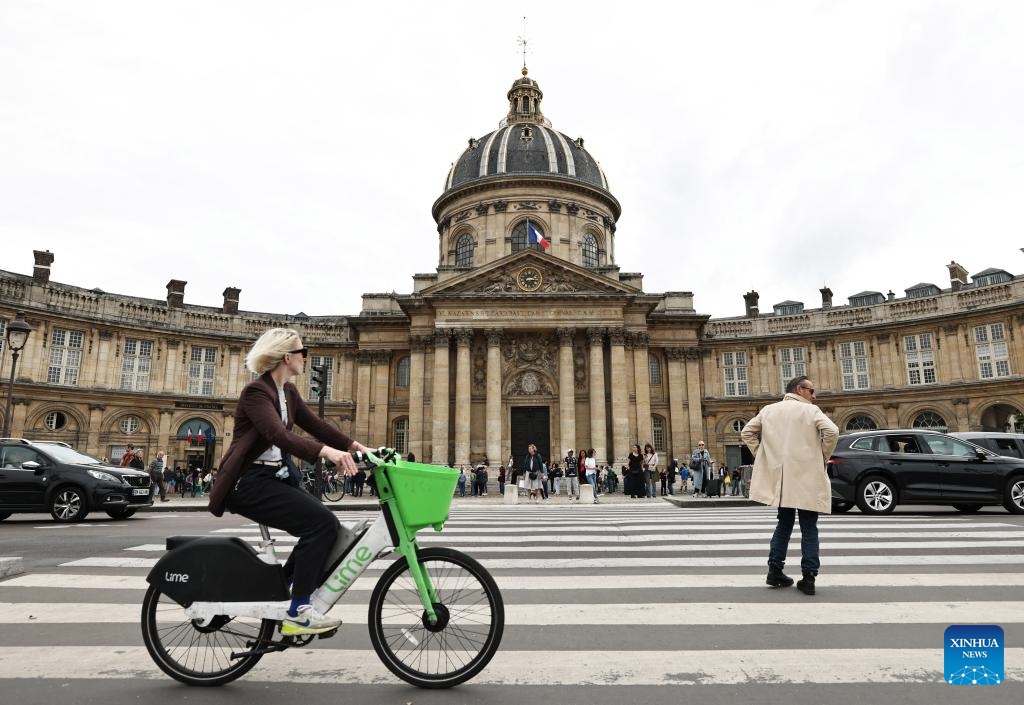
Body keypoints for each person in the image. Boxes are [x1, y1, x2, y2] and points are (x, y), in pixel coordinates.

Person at [208, 327, 371, 635]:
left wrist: (359, 448)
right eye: (302, 352)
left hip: (274, 477)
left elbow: (318, 426)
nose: (306, 358)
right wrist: (328, 454)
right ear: (287, 357)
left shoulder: (288, 392)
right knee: (320, 525)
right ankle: (299, 610)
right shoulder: (257, 392)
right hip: (249, 481)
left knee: (329, 526)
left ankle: (281, 590)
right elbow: (278, 435)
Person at [741, 375, 839, 596]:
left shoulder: (769, 410)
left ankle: (775, 570)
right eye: (811, 391)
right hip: (807, 477)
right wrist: (822, 455)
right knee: (809, 527)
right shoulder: (811, 411)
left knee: (783, 525)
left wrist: (762, 455)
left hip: (783, 480)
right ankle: (809, 577)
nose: (814, 396)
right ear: (799, 389)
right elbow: (832, 432)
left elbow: (747, 432)